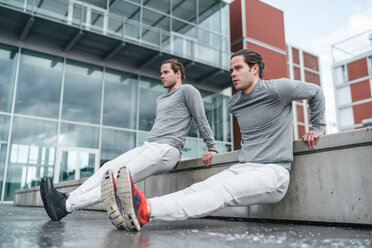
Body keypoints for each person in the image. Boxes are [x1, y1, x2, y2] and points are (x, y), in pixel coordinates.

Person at [101, 49, 326, 231]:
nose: (233, 74)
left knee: (221, 192)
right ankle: (130, 209)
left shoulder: (279, 88)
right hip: (245, 166)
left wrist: (317, 127)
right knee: (199, 187)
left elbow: (315, 92)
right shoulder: (235, 103)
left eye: (238, 68)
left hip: (273, 173)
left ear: (255, 69)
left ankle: (146, 208)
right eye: (231, 70)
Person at [40, 59, 218, 223]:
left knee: (119, 180)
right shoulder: (162, 98)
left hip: (165, 149)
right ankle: (67, 197)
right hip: (151, 146)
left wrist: (211, 148)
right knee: (107, 168)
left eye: (165, 72)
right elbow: (168, 124)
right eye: (161, 73)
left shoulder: (188, 90)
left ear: (178, 73)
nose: (161, 76)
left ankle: (66, 206)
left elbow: (200, 119)